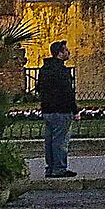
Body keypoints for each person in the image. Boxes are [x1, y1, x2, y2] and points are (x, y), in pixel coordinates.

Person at [35, 41, 78, 179]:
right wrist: (75, 110)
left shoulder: (44, 69)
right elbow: (68, 92)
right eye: (66, 50)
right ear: (60, 53)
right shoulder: (62, 71)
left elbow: (38, 88)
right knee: (60, 141)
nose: (68, 52)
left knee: (50, 141)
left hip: (47, 109)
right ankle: (59, 168)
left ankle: (50, 168)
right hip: (62, 109)